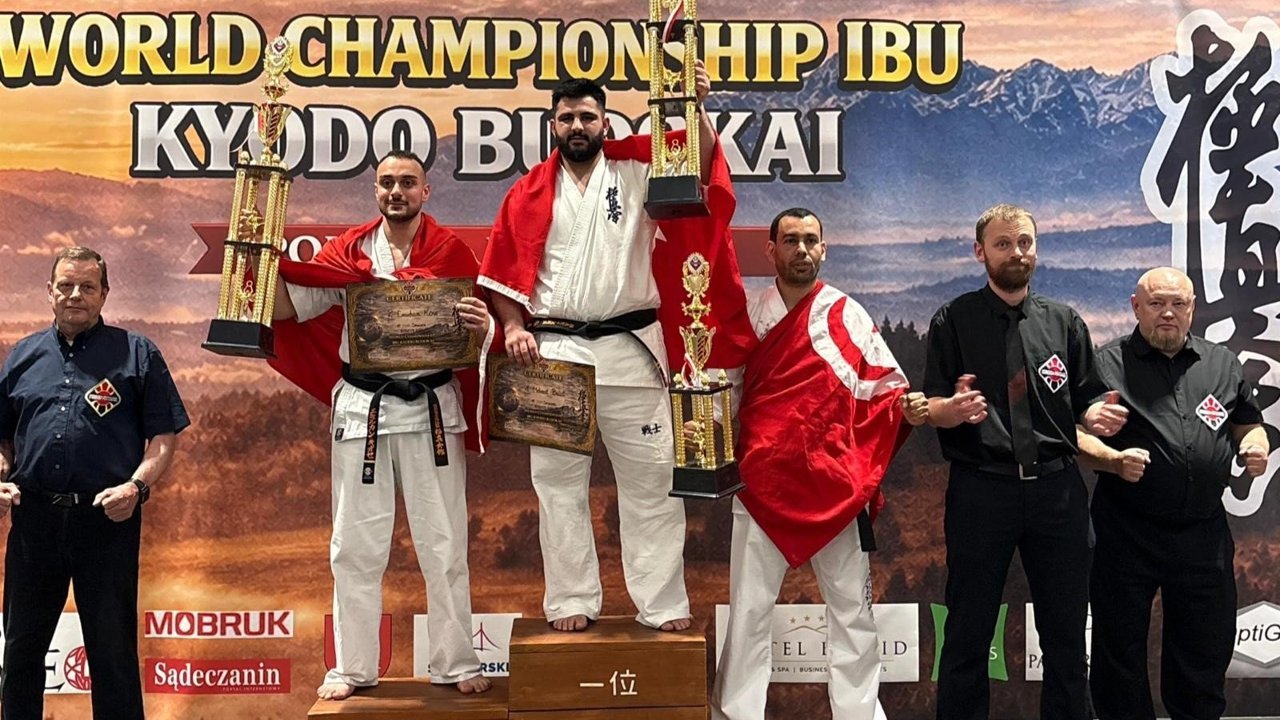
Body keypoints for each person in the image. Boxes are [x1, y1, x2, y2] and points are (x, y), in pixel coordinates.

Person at [478, 71, 755, 633]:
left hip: (632, 350)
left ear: (605, 122)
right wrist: (511, 326)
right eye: (566, 118)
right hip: (554, 355)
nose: (577, 126)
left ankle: (662, 601)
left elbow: (699, 162)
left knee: (652, 483)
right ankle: (570, 599)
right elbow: (501, 276)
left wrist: (698, 107)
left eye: (587, 116)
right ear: (552, 126)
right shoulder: (527, 192)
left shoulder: (637, 171)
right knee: (558, 488)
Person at [270, 150, 493, 699]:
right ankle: (352, 667)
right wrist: (255, 258)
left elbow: (479, 330)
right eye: (387, 182)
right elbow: (284, 310)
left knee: (444, 543)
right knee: (354, 545)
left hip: (432, 408)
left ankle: (455, 660)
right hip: (363, 408)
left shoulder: (452, 253)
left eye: (408, 183)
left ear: (425, 192)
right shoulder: (347, 253)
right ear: (375, 191)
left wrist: (482, 324)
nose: (397, 191)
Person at [710, 208, 924, 720]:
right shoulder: (749, 315)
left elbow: (885, 390)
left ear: (824, 249)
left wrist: (910, 409)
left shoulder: (846, 314)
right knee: (749, 613)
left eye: (811, 240)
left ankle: (858, 713)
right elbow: (724, 395)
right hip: (761, 485)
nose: (801, 249)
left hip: (835, 488)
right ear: (772, 250)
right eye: (791, 240)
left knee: (852, 613)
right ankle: (738, 714)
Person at [921, 203, 1128, 720]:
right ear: (980, 252)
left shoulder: (1064, 321)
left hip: (1057, 493)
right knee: (967, 632)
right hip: (981, 491)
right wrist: (951, 410)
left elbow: (1086, 397)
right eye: (1003, 244)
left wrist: (1094, 415)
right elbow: (932, 405)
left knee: (1066, 635)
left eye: (1025, 243)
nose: (1016, 253)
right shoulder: (953, 320)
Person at [0, 246, 189, 720]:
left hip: (106, 519)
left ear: (105, 293)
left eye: (87, 286)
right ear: (49, 292)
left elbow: (163, 438)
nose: (75, 295)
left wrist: (136, 489)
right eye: (65, 286)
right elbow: (2, 439)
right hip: (34, 520)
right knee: (20, 653)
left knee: (113, 655)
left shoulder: (137, 353)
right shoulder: (22, 356)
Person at [1078, 267, 1267, 720]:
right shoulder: (1106, 364)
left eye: (1178, 304)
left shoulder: (1222, 364)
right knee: (1118, 654)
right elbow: (1073, 433)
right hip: (1125, 530)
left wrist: (1254, 444)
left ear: (1192, 309)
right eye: (1157, 303)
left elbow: (1248, 422)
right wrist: (1111, 459)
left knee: (1203, 651)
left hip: (1203, 533)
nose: (1168, 313)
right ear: (1135, 307)